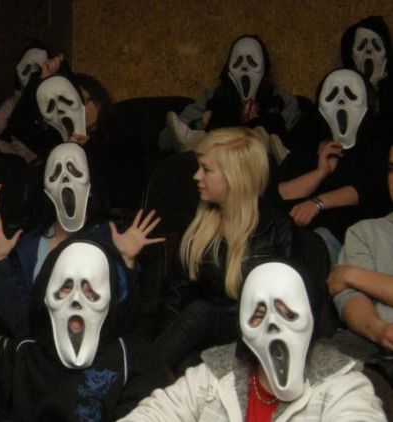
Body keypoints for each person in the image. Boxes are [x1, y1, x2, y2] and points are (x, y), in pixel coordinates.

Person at [121, 261, 385, 421]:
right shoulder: (212, 377)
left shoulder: (343, 388)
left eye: (288, 313)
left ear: (311, 318)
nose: (273, 324)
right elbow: (155, 413)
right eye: (258, 314)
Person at [0, 143, 162, 339]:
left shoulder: (109, 238)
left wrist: (126, 261)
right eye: (55, 175)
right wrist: (2, 261)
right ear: (46, 190)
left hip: (91, 339)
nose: (65, 180)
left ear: (90, 184)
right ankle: (32, 345)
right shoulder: (31, 245)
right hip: (39, 336)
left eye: (75, 171)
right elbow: (22, 303)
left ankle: (29, 347)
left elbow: (120, 311)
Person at [0, 238, 169, 421]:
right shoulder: (23, 350)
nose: (76, 300)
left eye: (91, 292)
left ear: (109, 300)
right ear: (47, 295)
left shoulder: (132, 358)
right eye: (66, 288)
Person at [153, 127, 295, 373]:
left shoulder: (276, 228)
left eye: (206, 170)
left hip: (255, 339)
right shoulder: (199, 226)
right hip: (202, 342)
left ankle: (138, 375)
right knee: (185, 367)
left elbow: (291, 306)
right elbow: (174, 300)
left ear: (235, 176)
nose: (196, 176)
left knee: (201, 312)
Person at [276, 68, 390, 263]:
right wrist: (320, 172)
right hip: (298, 238)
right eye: (332, 95)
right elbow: (280, 192)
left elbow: (372, 189)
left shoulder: (379, 144)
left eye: (351, 95)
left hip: (349, 242)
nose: (341, 102)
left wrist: (318, 203)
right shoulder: (309, 144)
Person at [161, 35, 301, 155]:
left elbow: (297, 141)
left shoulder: (281, 99)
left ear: (264, 67)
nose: (244, 67)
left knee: (273, 122)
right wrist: (199, 124)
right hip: (218, 159)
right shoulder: (213, 98)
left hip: (258, 162)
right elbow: (165, 141)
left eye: (252, 62)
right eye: (238, 62)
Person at [328, 144, 393, 359]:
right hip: (376, 351)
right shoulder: (364, 232)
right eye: (392, 169)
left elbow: (344, 282)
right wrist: (379, 331)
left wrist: (350, 275)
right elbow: (350, 298)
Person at [0, 43, 49, 163]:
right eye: (27, 68)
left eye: (38, 69)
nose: (32, 75)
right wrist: (8, 149)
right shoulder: (12, 104)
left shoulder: (55, 104)